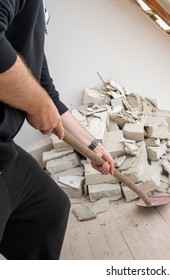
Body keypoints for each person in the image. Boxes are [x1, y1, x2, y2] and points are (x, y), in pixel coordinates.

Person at [0, 0, 114, 259]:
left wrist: (92, 145)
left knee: (49, 209)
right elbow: (41, 99)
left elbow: (46, 91)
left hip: (4, 151)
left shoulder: (37, 12)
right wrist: (36, 102)